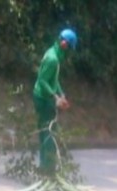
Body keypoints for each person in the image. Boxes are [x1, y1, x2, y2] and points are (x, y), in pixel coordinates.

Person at [33, 29, 77, 176]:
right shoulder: (53, 59)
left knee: (45, 131)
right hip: (43, 99)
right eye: (69, 47)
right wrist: (55, 97)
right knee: (49, 133)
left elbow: (53, 79)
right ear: (64, 43)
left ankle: (44, 166)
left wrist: (61, 93)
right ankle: (48, 169)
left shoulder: (53, 53)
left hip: (43, 96)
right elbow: (43, 80)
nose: (69, 51)